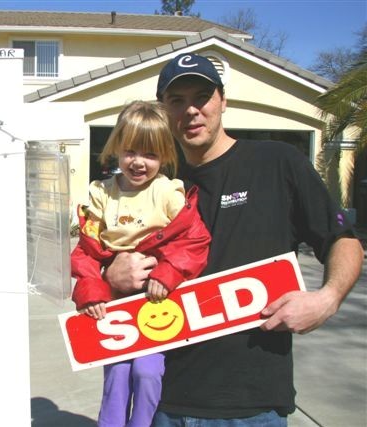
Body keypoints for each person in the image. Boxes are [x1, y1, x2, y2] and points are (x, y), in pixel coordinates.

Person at [104, 53, 365, 426]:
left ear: (223, 101)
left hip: (251, 405)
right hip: (164, 399)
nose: (191, 110)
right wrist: (111, 272)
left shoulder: (278, 163)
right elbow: (96, 251)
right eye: (177, 101)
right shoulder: (148, 179)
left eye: (202, 97)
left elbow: (342, 239)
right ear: (164, 111)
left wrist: (328, 299)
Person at [70, 100, 211, 427]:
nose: (138, 162)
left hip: (157, 300)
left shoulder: (168, 192)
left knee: (147, 372)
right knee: (117, 372)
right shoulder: (102, 194)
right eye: (130, 151)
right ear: (117, 148)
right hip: (116, 303)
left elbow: (195, 240)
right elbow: (87, 250)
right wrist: (92, 290)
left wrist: (169, 271)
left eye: (150, 155)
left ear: (164, 156)